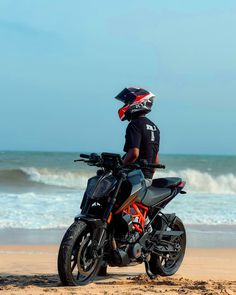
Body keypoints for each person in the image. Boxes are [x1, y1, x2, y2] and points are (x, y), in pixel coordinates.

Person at [116, 86, 160, 186]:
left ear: (138, 102)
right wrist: (148, 176)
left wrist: (121, 167)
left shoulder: (135, 124)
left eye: (127, 102)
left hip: (134, 178)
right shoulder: (154, 127)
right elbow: (156, 159)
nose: (125, 105)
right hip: (147, 179)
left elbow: (134, 153)